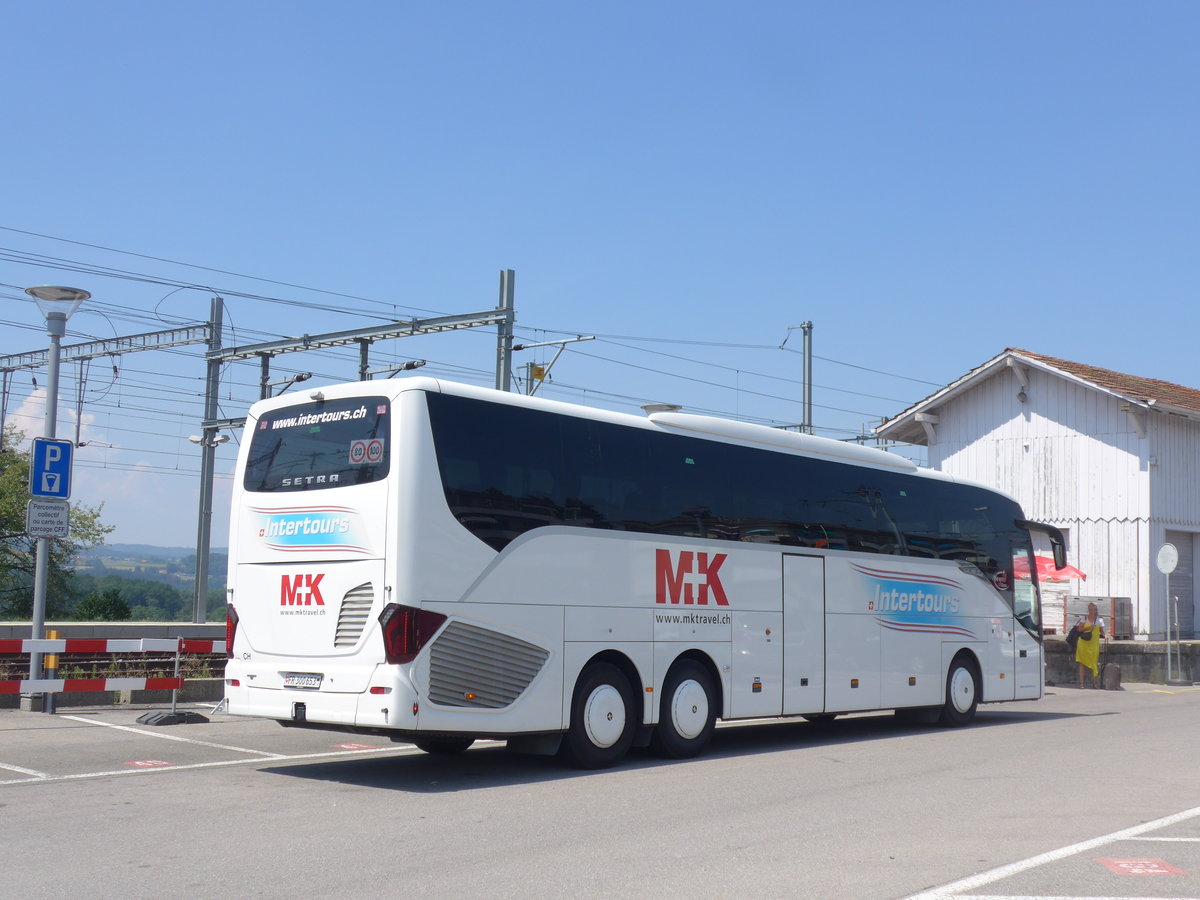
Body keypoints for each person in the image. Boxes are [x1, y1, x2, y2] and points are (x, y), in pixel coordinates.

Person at [1073, 602, 1106, 688]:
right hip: (1083, 643)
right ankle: (1082, 684)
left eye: (1092, 609)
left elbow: (1102, 632)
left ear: (1095, 610)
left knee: (1094, 662)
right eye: (1089, 609)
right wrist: (1089, 627)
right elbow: (1079, 629)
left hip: (1093, 644)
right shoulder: (1084, 618)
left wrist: (1105, 636)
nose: (1090, 611)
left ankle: (1094, 683)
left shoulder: (1100, 620)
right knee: (1082, 663)